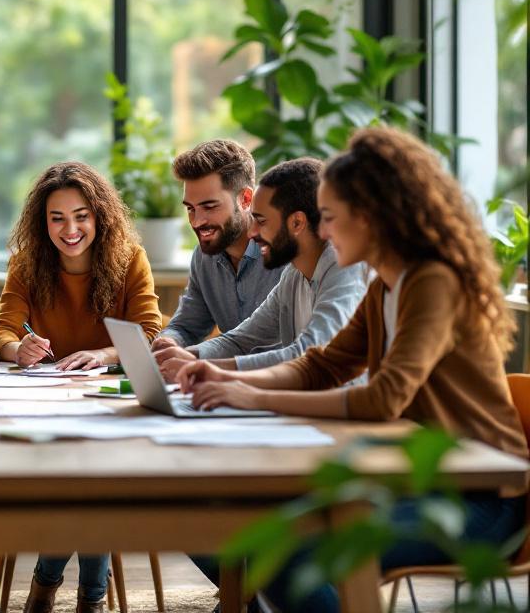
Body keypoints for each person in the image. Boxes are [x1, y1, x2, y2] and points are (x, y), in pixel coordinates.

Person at [166, 127, 529, 612]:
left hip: (480, 498)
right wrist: (228, 379)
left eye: (332, 218)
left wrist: (252, 395)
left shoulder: (432, 283)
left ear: (371, 217)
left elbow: (384, 398)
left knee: (291, 556)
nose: (324, 233)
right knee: (261, 532)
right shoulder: (384, 288)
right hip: (419, 479)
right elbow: (322, 365)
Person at [0, 162, 162, 613]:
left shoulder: (130, 259)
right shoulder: (26, 263)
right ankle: (91, 599)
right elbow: (2, 328)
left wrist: (103, 355)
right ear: (42, 222)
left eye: (81, 216)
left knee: (94, 480)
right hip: (45, 405)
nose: (70, 230)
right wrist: (17, 349)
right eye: (57, 218)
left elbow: (149, 332)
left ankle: (46, 587)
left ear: (100, 216)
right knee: (89, 485)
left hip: (111, 402)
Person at [155, 157, 367, 381]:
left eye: (262, 221)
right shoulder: (294, 274)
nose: (252, 233)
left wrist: (211, 370)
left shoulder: (345, 265)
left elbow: (308, 354)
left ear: (297, 223)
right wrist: (186, 357)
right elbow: (242, 339)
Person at [150, 140, 286, 357]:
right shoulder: (204, 257)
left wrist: (195, 356)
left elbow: (280, 347)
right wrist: (168, 343)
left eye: (210, 207)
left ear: (245, 199)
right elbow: (186, 326)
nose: (197, 222)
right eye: (190, 209)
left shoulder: (285, 254)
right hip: (227, 375)